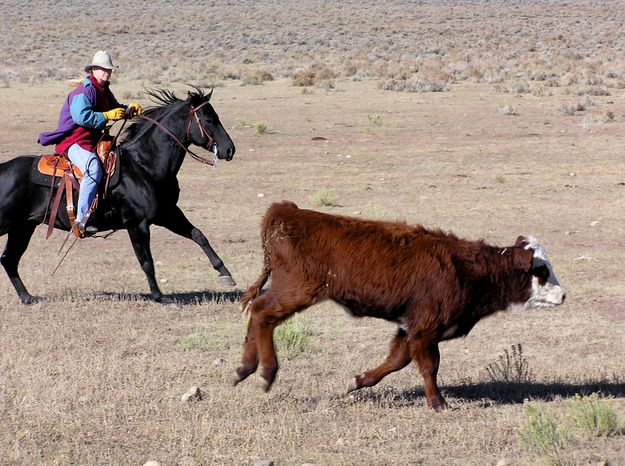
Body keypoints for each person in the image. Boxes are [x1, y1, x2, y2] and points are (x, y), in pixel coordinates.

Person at [38, 50, 143, 236]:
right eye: (103, 69)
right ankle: (82, 220)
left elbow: (114, 108)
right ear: (93, 69)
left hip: (92, 142)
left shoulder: (103, 90)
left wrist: (127, 110)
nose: (107, 72)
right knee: (93, 168)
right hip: (73, 142)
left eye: (109, 69)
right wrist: (106, 116)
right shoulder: (85, 91)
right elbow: (81, 117)